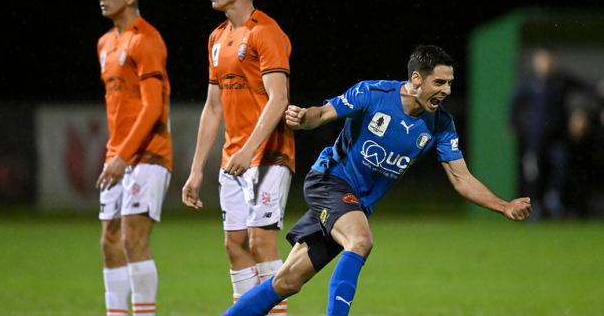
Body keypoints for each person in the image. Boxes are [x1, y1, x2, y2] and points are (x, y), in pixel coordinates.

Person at [222, 45, 532, 316]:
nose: (447, 90)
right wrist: (303, 119)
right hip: (329, 181)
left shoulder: (440, 124)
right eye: (439, 82)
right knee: (361, 240)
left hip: (356, 204)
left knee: (287, 281)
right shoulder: (373, 94)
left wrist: (503, 206)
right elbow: (324, 113)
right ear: (416, 79)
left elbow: (461, 178)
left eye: (450, 83)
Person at [181, 0, 294, 315]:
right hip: (235, 159)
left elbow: (279, 100)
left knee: (261, 243)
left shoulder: (267, 32)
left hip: (268, 154)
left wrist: (248, 150)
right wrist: (197, 169)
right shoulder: (217, 37)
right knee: (235, 245)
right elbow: (213, 107)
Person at [96, 0, 172, 316]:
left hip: (149, 155)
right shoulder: (105, 44)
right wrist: (117, 154)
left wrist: (124, 156)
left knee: (132, 239)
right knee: (109, 242)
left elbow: (153, 107)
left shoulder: (147, 39)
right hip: (119, 155)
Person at [509, 47, 583, 220]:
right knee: (533, 174)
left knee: (561, 165)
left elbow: (585, 88)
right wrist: (514, 124)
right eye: (542, 61)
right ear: (536, 63)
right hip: (534, 139)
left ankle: (553, 197)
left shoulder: (560, 81)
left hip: (557, 136)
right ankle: (534, 206)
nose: (546, 64)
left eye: (549, 60)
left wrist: (581, 111)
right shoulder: (528, 83)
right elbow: (514, 103)